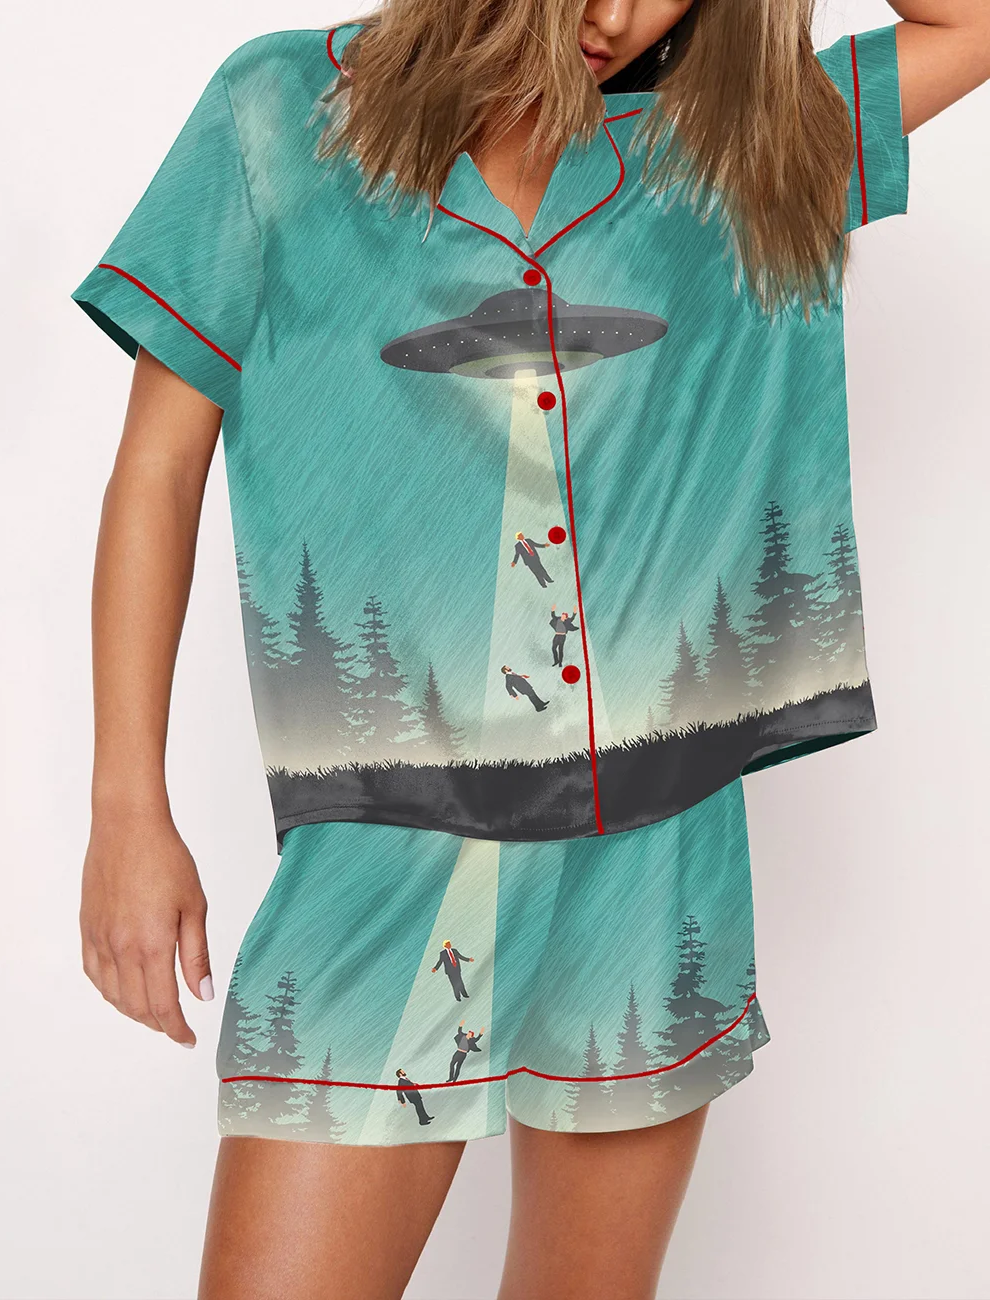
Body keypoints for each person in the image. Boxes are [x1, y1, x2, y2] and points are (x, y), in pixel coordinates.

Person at [72, 1, 989, 1298]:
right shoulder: (277, 113)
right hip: (385, 861)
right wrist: (127, 809)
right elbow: (159, 468)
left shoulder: (731, 149)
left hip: (650, 866)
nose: (616, 13)